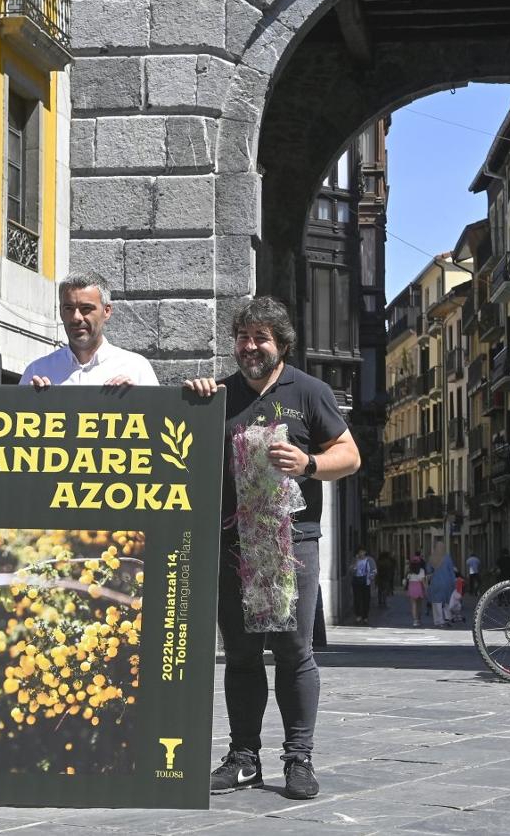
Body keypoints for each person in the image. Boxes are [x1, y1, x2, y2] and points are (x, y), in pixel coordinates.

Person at [185, 296, 360, 800]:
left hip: (292, 543)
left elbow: (349, 455)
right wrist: (195, 397)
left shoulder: (310, 391)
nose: (250, 346)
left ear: (281, 344)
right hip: (232, 545)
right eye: (243, 337)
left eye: (261, 337)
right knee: (240, 654)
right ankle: (244, 758)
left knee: (293, 650)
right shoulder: (218, 393)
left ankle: (298, 758)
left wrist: (307, 463)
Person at [20, 271, 157, 388]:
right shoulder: (37, 371)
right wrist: (34, 402)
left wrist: (138, 400)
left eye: (86, 309)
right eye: (69, 309)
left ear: (107, 311)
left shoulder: (136, 369)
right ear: (61, 312)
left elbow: (157, 417)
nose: (76, 317)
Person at [425, 541, 457, 627]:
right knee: (447, 601)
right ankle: (447, 618)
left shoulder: (432, 558)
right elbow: (451, 571)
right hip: (447, 582)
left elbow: (428, 570)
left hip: (436, 582)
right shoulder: (447, 558)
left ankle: (438, 621)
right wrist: (454, 582)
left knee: (436, 602)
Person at [350, 547, 376, 623]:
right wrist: (355, 562)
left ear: (365, 552)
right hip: (356, 581)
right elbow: (351, 571)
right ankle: (358, 615)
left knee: (366, 599)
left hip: (366, 582)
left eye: (362, 551)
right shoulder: (355, 560)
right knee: (357, 599)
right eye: (359, 552)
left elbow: (374, 570)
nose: (361, 553)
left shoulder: (370, 560)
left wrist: (371, 577)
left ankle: (365, 616)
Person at [404, 554, 427, 627]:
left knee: (413, 605)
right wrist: (426, 589)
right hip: (419, 587)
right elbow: (423, 581)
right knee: (419, 605)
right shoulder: (421, 570)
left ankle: (415, 621)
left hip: (411, 587)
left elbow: (406, 579)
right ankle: (419, 619)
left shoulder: (409, 570)